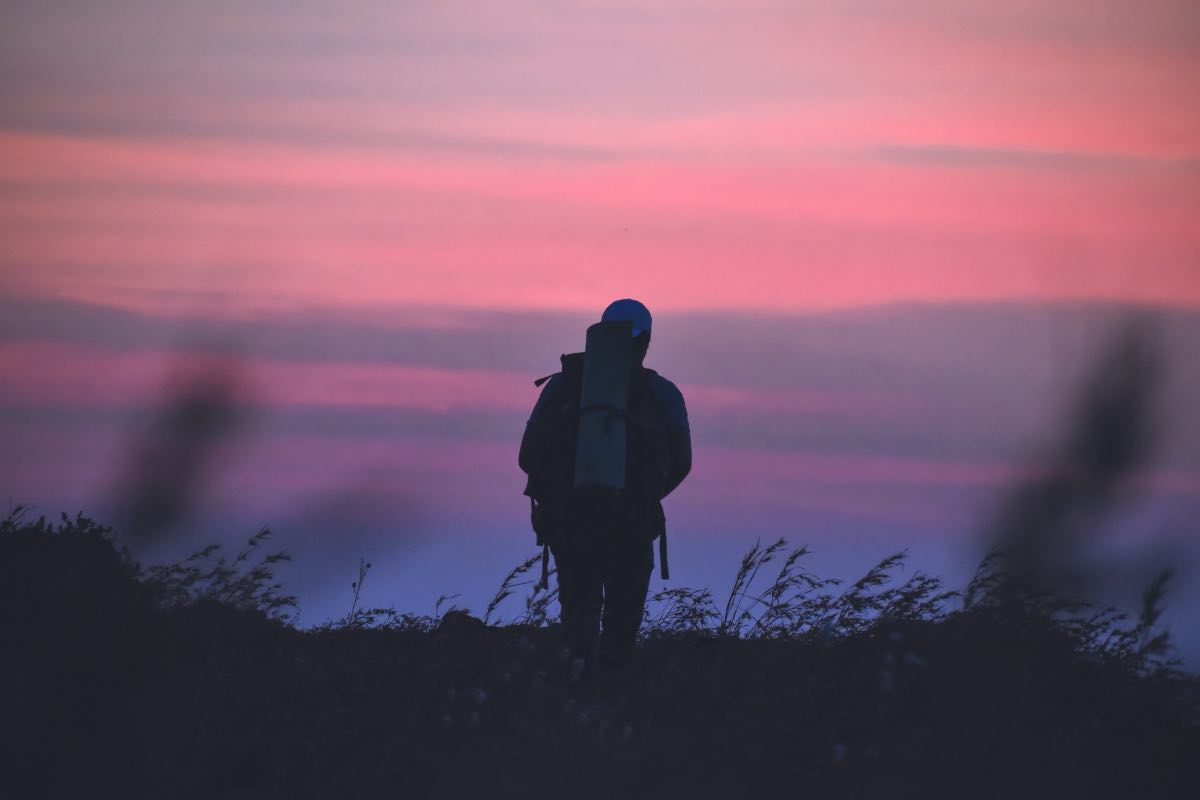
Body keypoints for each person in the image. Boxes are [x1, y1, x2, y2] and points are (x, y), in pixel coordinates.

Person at [519, 299, 691, 675]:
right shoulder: (663, 393)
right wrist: (642, 497)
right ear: (645, 340)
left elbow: (527, 455)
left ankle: (574, 711)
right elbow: (682, 462)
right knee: (621, 633)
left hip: (571, 525)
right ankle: (613, 710)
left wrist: (568, 492)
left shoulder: (562, 386)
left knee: (578, 625)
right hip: (633, 525)